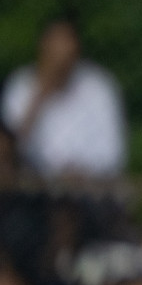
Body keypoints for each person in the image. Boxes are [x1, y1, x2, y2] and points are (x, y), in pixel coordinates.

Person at [1, 18, 126, 181]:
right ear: (43, 48)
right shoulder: (20, 86)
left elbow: (111, 154)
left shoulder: (99, 88)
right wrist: (39, 99)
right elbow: (10, 152)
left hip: (89, 187)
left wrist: (81, 172)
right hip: (34, 185)